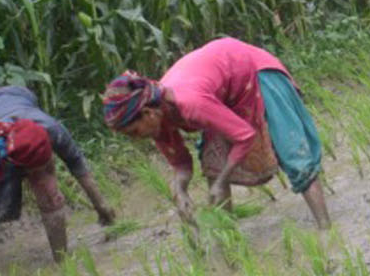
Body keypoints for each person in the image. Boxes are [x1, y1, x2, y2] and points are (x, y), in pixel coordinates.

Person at [100, 38, 331, 228]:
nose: (135, 138)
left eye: (133, 131)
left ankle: (326, 229)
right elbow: (181, 163)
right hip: (224, 91)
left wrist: (222, 181)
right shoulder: (158, 119)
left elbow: (244, 136)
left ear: (148, 113)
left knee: (293, 153)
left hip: (255, 72)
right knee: (213, 164)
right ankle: (228, 243)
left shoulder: (189, 103)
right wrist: (180, 190)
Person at [0, 85, 116, 276]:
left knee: (50, 195)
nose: (35, 174)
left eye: (43, 165)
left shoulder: (53, 130)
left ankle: (62, 263)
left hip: (17, 97)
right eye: (31, 169)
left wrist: (101, 206)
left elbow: (78, 166)